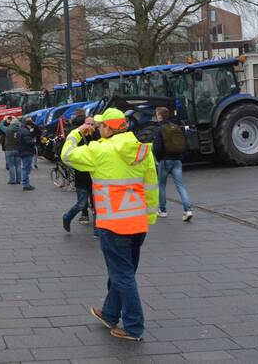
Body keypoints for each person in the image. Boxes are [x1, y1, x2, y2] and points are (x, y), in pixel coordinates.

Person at [61, 107, 158, 342]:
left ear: (108, 128)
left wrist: (77, 132)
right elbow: (151, 184)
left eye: (101, 125)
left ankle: (134, 327)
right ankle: (110, 313)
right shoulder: (141, 149)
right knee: (123, 272)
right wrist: (150, 217)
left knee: (123, 276)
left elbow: (67, 155)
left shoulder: (99, 150)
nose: (98, 128)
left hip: (113, 225)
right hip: (137, 223)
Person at [152, 106, 193, 221]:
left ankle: (163, 210)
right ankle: (187, 210)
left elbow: (157, 148)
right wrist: (180, 157)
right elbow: (184, 144)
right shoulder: (176, 127)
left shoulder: (159, 129)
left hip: (165, 161)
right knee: (180, 186)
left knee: (162, 186)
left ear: (160, 116)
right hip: (177, 160)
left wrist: (159, 159)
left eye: (156, 114)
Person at [62, 112, 94, 232]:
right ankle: (68, 217)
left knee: (96, 206)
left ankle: (97, 231)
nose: (90, 126)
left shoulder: (98, 136)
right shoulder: (78, 137)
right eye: (87, 124)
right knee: (81, 203)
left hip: (95, 177)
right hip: (82, 176)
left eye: (92, 124)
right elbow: (68, 153)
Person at [17, 116, 38, 190]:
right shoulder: (26, 131)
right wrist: (34, 141)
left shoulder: (21, 129)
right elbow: (28, 142)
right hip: (27, 152)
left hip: (22, 151)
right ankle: (26, 185)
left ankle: (25, 184)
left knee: (25, 168)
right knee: (26, 169)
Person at [3, 118, 22, 185]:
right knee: (18, 165)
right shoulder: (20, 129)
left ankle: (12, 180)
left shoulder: (8, 129)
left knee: (11, 166)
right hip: (18, 149)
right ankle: (19, 180)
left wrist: (4, 120)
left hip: (9, 149)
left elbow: (1, 126)